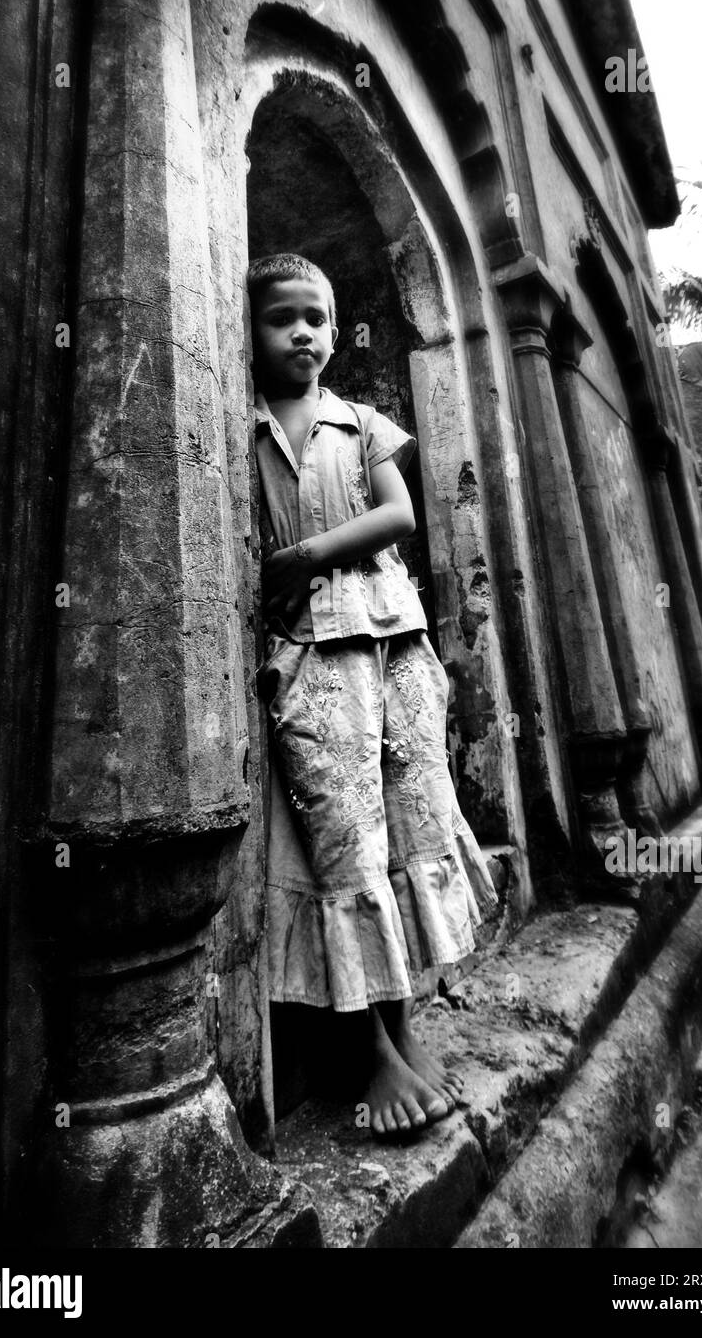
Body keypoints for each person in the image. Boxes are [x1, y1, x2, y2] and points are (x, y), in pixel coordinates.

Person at [249, 252, 497, 1136]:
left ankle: (404, 1023)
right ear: (252, 328)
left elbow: (401, 518)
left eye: (319, 316)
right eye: (285, 317)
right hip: (312, 657)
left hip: (394, 638)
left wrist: (308, 553)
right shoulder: (243, 428)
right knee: (343, 843)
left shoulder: (361, 423)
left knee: (411, 822)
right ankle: (364, 1048)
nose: (305, 333)